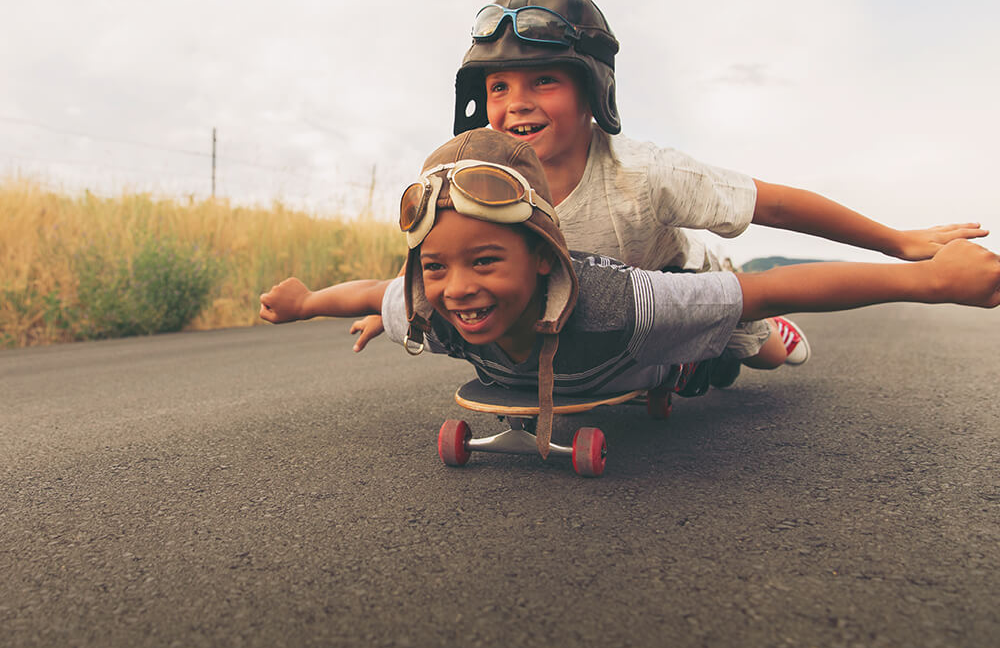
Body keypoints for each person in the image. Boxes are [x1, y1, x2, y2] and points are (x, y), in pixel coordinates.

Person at [350, 0, 987, 384]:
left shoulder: (647, 174)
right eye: (499, 86)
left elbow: (776, 206)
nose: (516, 104)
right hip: (589, 309)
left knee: (757, 349)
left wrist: (899, 245)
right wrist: (401, 310)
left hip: (680, 279)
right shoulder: (483, 186)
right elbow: (444, 264)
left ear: (592, 91)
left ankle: (765, 340)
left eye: (543, 80)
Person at [261, 129, 1000, 457]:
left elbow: (773, 286)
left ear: (544, 259)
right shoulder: (425, 303)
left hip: (672, 307)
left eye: (485, 262)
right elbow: (372, 288)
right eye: (435, 268)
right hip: (596, 365)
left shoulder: (624, 304)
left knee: (752, 345)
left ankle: (768, 350)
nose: (458, 290)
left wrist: (928, 280)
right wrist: (305, 302)